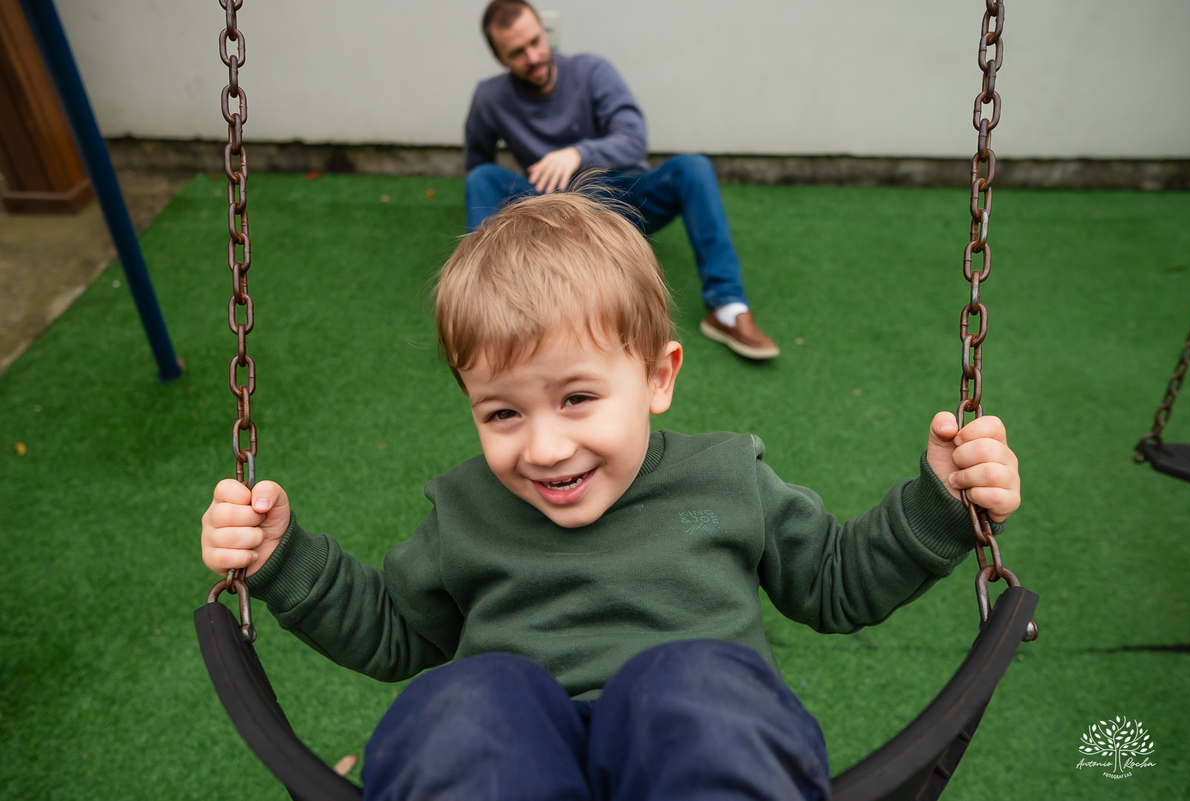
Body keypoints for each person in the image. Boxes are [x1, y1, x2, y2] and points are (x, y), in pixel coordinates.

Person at [200, 191, 1022, 801]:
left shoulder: (725, 476)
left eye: (577, 398)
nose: (545, 446)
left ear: (659, 377)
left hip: (699, 747)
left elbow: (837, 579)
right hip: (511, 761)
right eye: (501, 412)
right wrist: (282, 559)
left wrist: (940, 502)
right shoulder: (466, 508)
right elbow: (394, 632)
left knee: (692, 686)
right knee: (464, 701)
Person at [464, 0, 781, 361]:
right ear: (500, 58)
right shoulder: (489, 97)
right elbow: (478, 159)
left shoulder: (591, 71)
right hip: (551, 208)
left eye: (536, 41)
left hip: (621, 201)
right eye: (517, 52)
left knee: (693, 168)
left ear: (544, 32)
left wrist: (577, 154)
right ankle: (484, 313)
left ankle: (727, 308)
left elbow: (633, 139)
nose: (533, 56)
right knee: (482, 177)